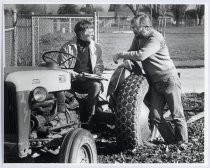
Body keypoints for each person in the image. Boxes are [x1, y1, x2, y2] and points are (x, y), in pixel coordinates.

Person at [113, 14, 188, 147]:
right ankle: (172, 142)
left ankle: (182, 143)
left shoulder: (156, 38)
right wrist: (126, 60)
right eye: (132, 27)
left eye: (135, 27)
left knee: (177, 114)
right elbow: (132, 52)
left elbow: (141, 55)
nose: (133, 30)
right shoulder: (138, 37)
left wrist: (121, 54)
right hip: (155, 82)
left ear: (146, 27)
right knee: (155, 117)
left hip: (169, 80)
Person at [59, 20, 104, 130]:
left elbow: (99, 64)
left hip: (88, 81)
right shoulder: (67, 48)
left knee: (96, 85)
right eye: (91, 32)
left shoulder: (96, 47)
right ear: (81, 33)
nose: (93, 34)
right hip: (73, 81)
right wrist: (76, 75)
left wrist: (97, 74)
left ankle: (90, 118)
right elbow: (63, 70)